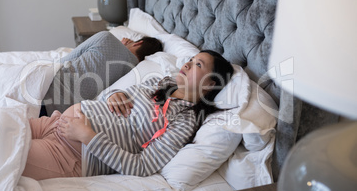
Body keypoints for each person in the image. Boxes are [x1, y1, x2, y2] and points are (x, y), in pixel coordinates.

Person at [22, 50, 234, 180]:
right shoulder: (159, 83)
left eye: (198, 64)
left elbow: (141, 166)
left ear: (210, 83)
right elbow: (122, 96)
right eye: (191, 59)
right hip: (56, 122)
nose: (186, 64)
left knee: (1, 152)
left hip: (71, 153)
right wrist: (116, 94)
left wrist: (87, 135)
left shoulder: (185, 122)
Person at [40, 31, 162, 116]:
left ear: (137, 43)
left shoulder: (106, 38)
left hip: (46, 90)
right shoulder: (133, 72)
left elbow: (63, 61)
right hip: (59, 113)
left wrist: (119, 44)